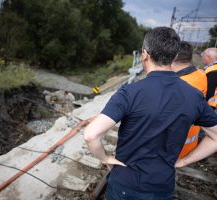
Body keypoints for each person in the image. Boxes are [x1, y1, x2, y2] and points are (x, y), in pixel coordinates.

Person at [84, 27, 217, 200]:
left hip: (125, 184)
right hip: (163, 186)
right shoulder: (194, 96)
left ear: (145, 54)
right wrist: (183, 161)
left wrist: (106, 158)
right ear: (174, 56)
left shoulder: (129, 92)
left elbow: (91, 135)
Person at [171, 41, 207, 158]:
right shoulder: (201, 75)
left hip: (172, 149)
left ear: (173, 56)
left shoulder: (177, 85)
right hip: (190, 143)